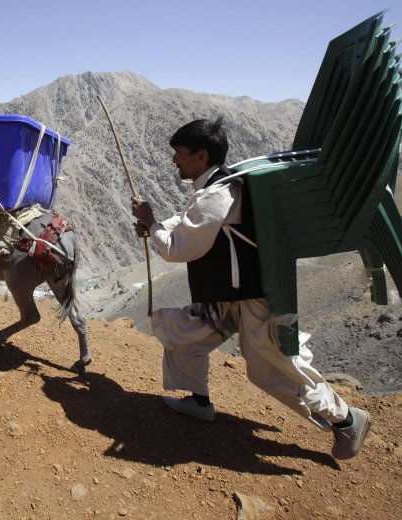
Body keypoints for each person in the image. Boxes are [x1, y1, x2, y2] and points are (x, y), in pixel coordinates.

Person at [130, 117, 371, 460]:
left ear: (201, 157)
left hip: (252, 298)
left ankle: (346, 420)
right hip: (228, 294)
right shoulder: (216, 187)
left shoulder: (216, 194)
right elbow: (189, 220)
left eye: (180, 154)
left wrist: (151, 222)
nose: (174, 161)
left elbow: (176, 249)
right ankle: (199, 402)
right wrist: (156, 226)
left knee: (271, 371)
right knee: (181, 332)